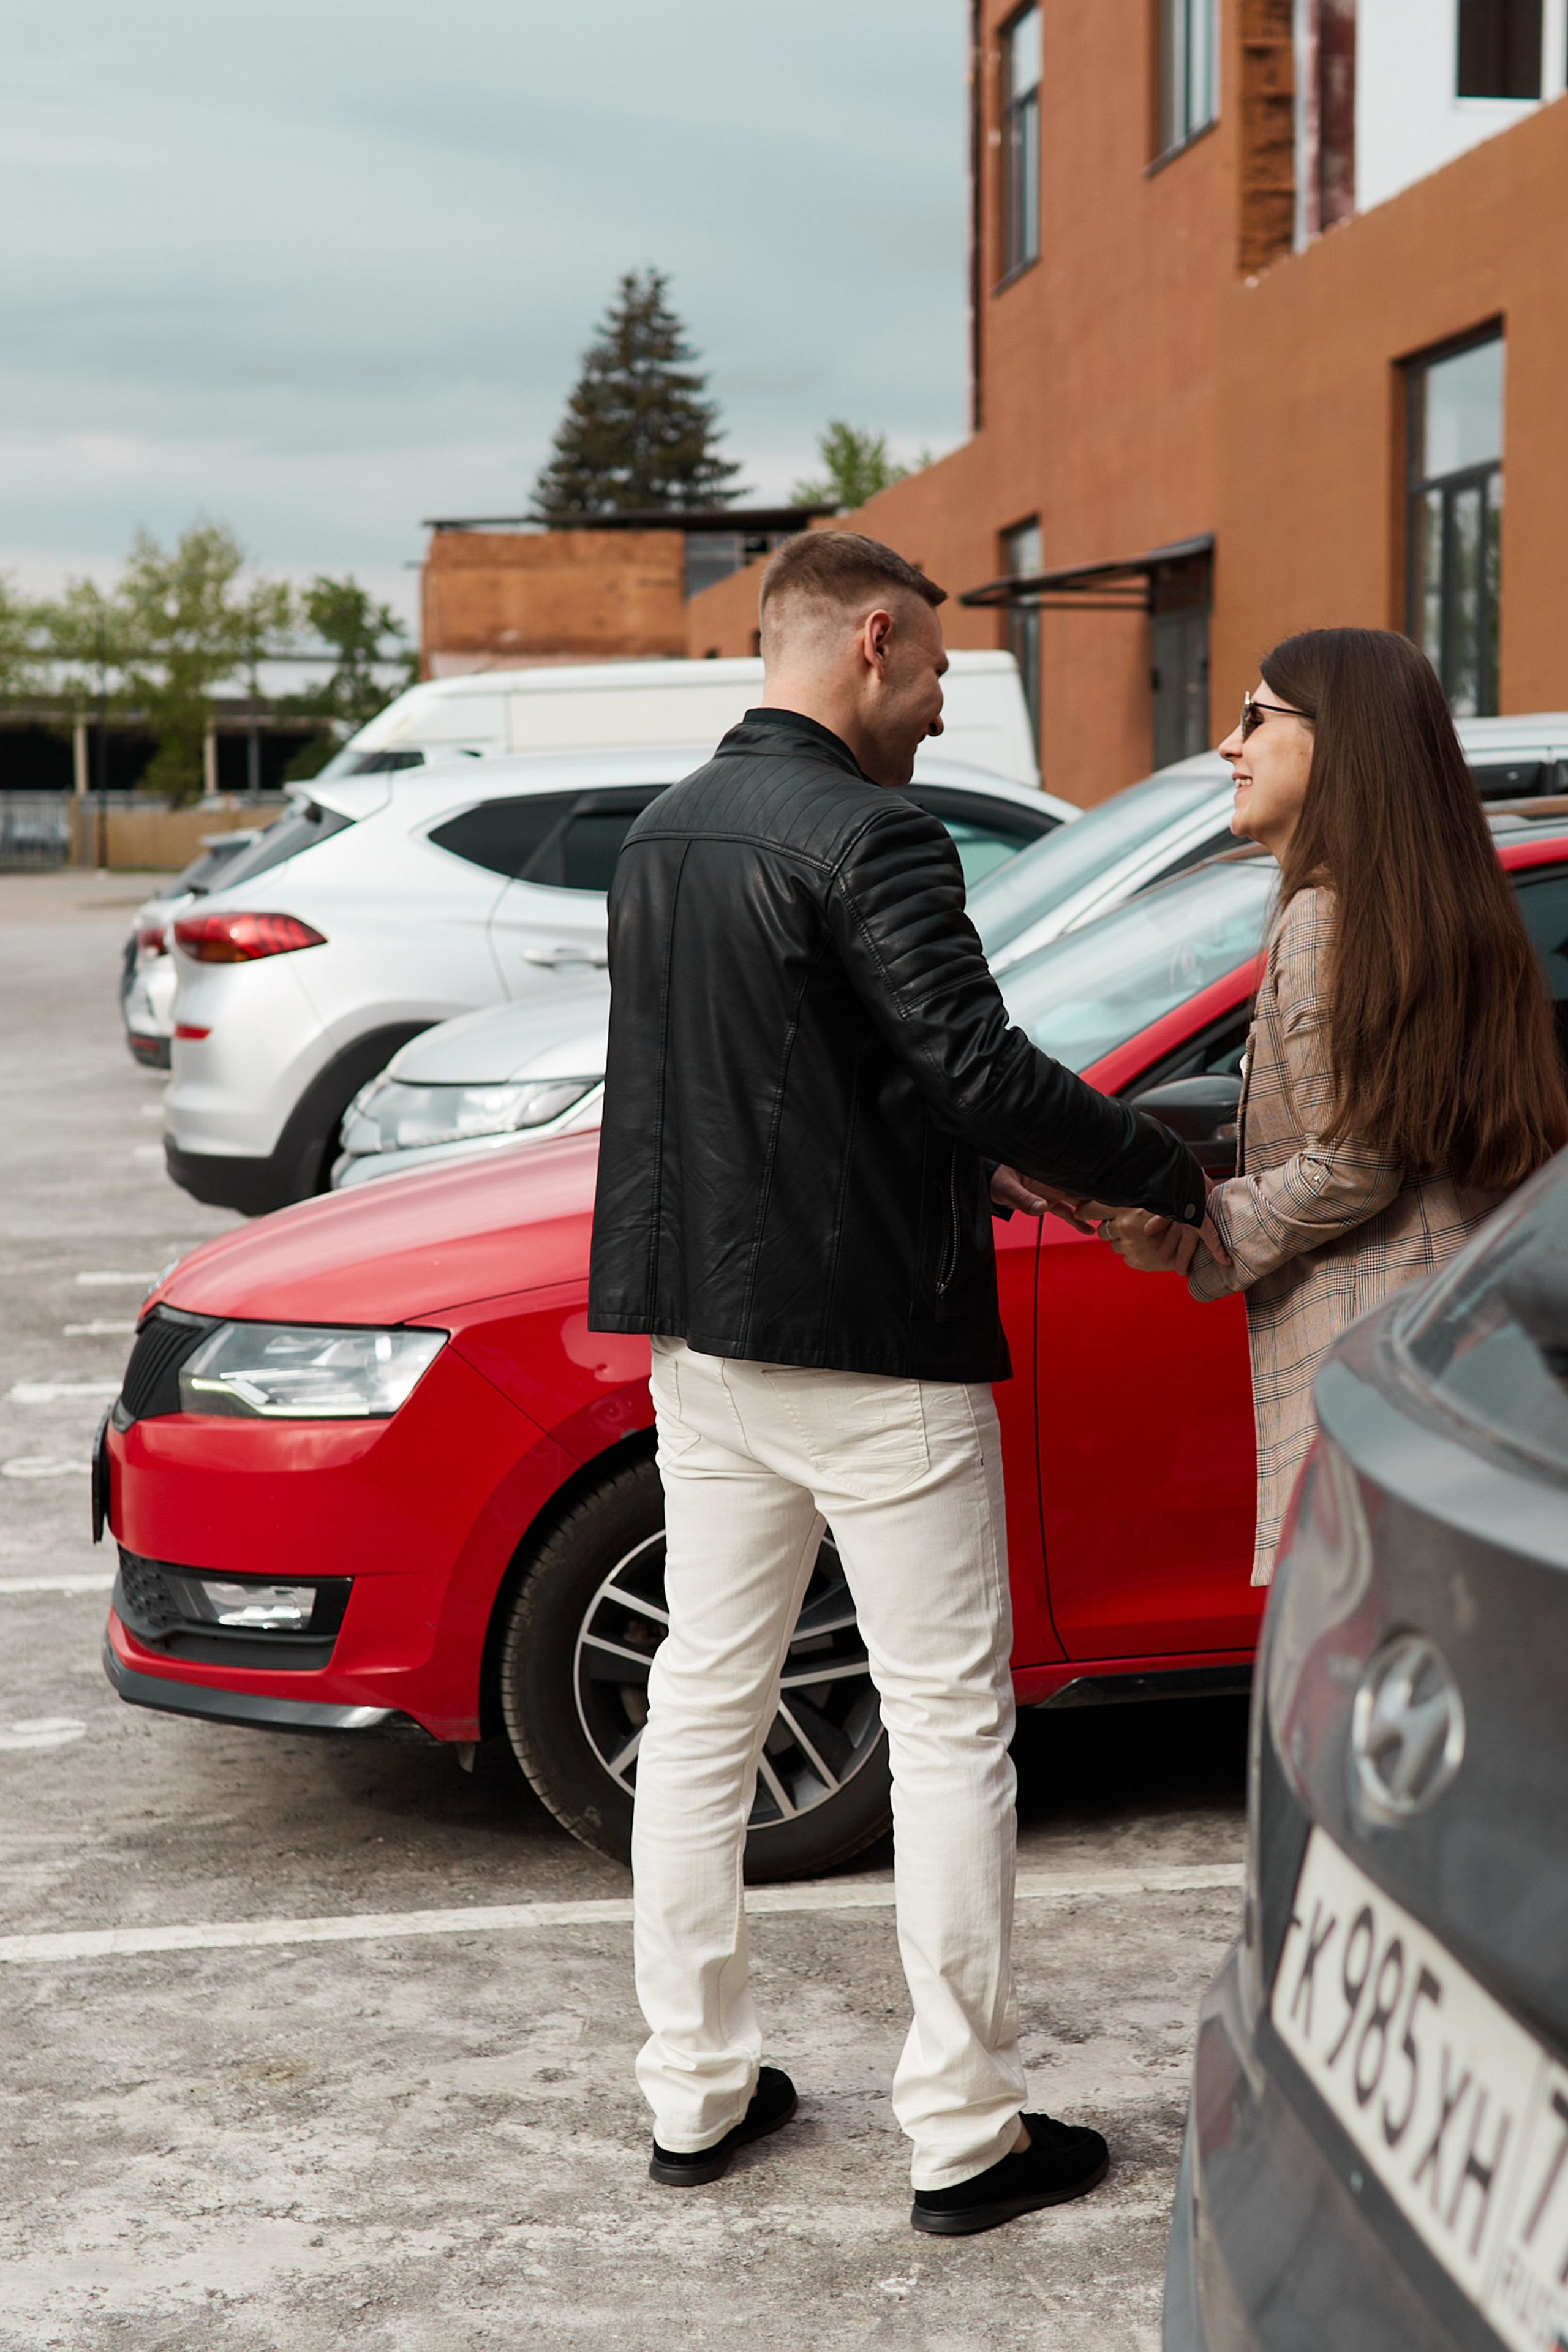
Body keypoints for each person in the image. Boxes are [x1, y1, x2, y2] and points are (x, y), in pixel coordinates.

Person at [587, 530, 1209, 2235]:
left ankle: (693, 2093)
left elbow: (789, 1084)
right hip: (873, 1349)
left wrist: (968, 1160)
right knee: (946, 1728)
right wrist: (1163, 1170)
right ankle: (962, 2133)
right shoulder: (874, 834)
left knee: (704, 1704)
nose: (938, 708)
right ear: (872, 639)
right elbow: (976, 1069)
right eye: (933, 671)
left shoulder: (659, 835)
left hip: (702, 1344)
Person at [1094, 626, 1568, 1582]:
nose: (1228, 746)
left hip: (1370, 1353)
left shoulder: (1323, 920)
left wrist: (1198, 1229)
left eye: (1254, 719)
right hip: (1457, 1342)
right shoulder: (1445, 910)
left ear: (1335, 742)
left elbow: (1354, 1163)